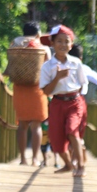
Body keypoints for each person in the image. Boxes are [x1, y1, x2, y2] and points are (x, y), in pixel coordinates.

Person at [39, 25, 88, 177]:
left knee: (73, 132)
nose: (63, 45)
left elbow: (83, 83)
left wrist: (79, 100)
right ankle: (68, 165)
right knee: (56, 140)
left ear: (71, 45)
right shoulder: (47, 67)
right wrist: (58, 78)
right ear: (52, 44)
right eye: (59, 41)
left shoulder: (76, 63)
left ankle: (80, 166)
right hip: (57, 102)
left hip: (74, 102)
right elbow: (46, 91)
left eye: (66, 41)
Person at [10, 21, 51, 166]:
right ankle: (34, 159)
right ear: (38, 33)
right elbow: (49, 69)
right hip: (37, 88)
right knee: (36, 126)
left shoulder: (15, 43)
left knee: (22, 125)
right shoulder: (44, 48)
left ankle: (22, 159)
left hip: (19, 87)